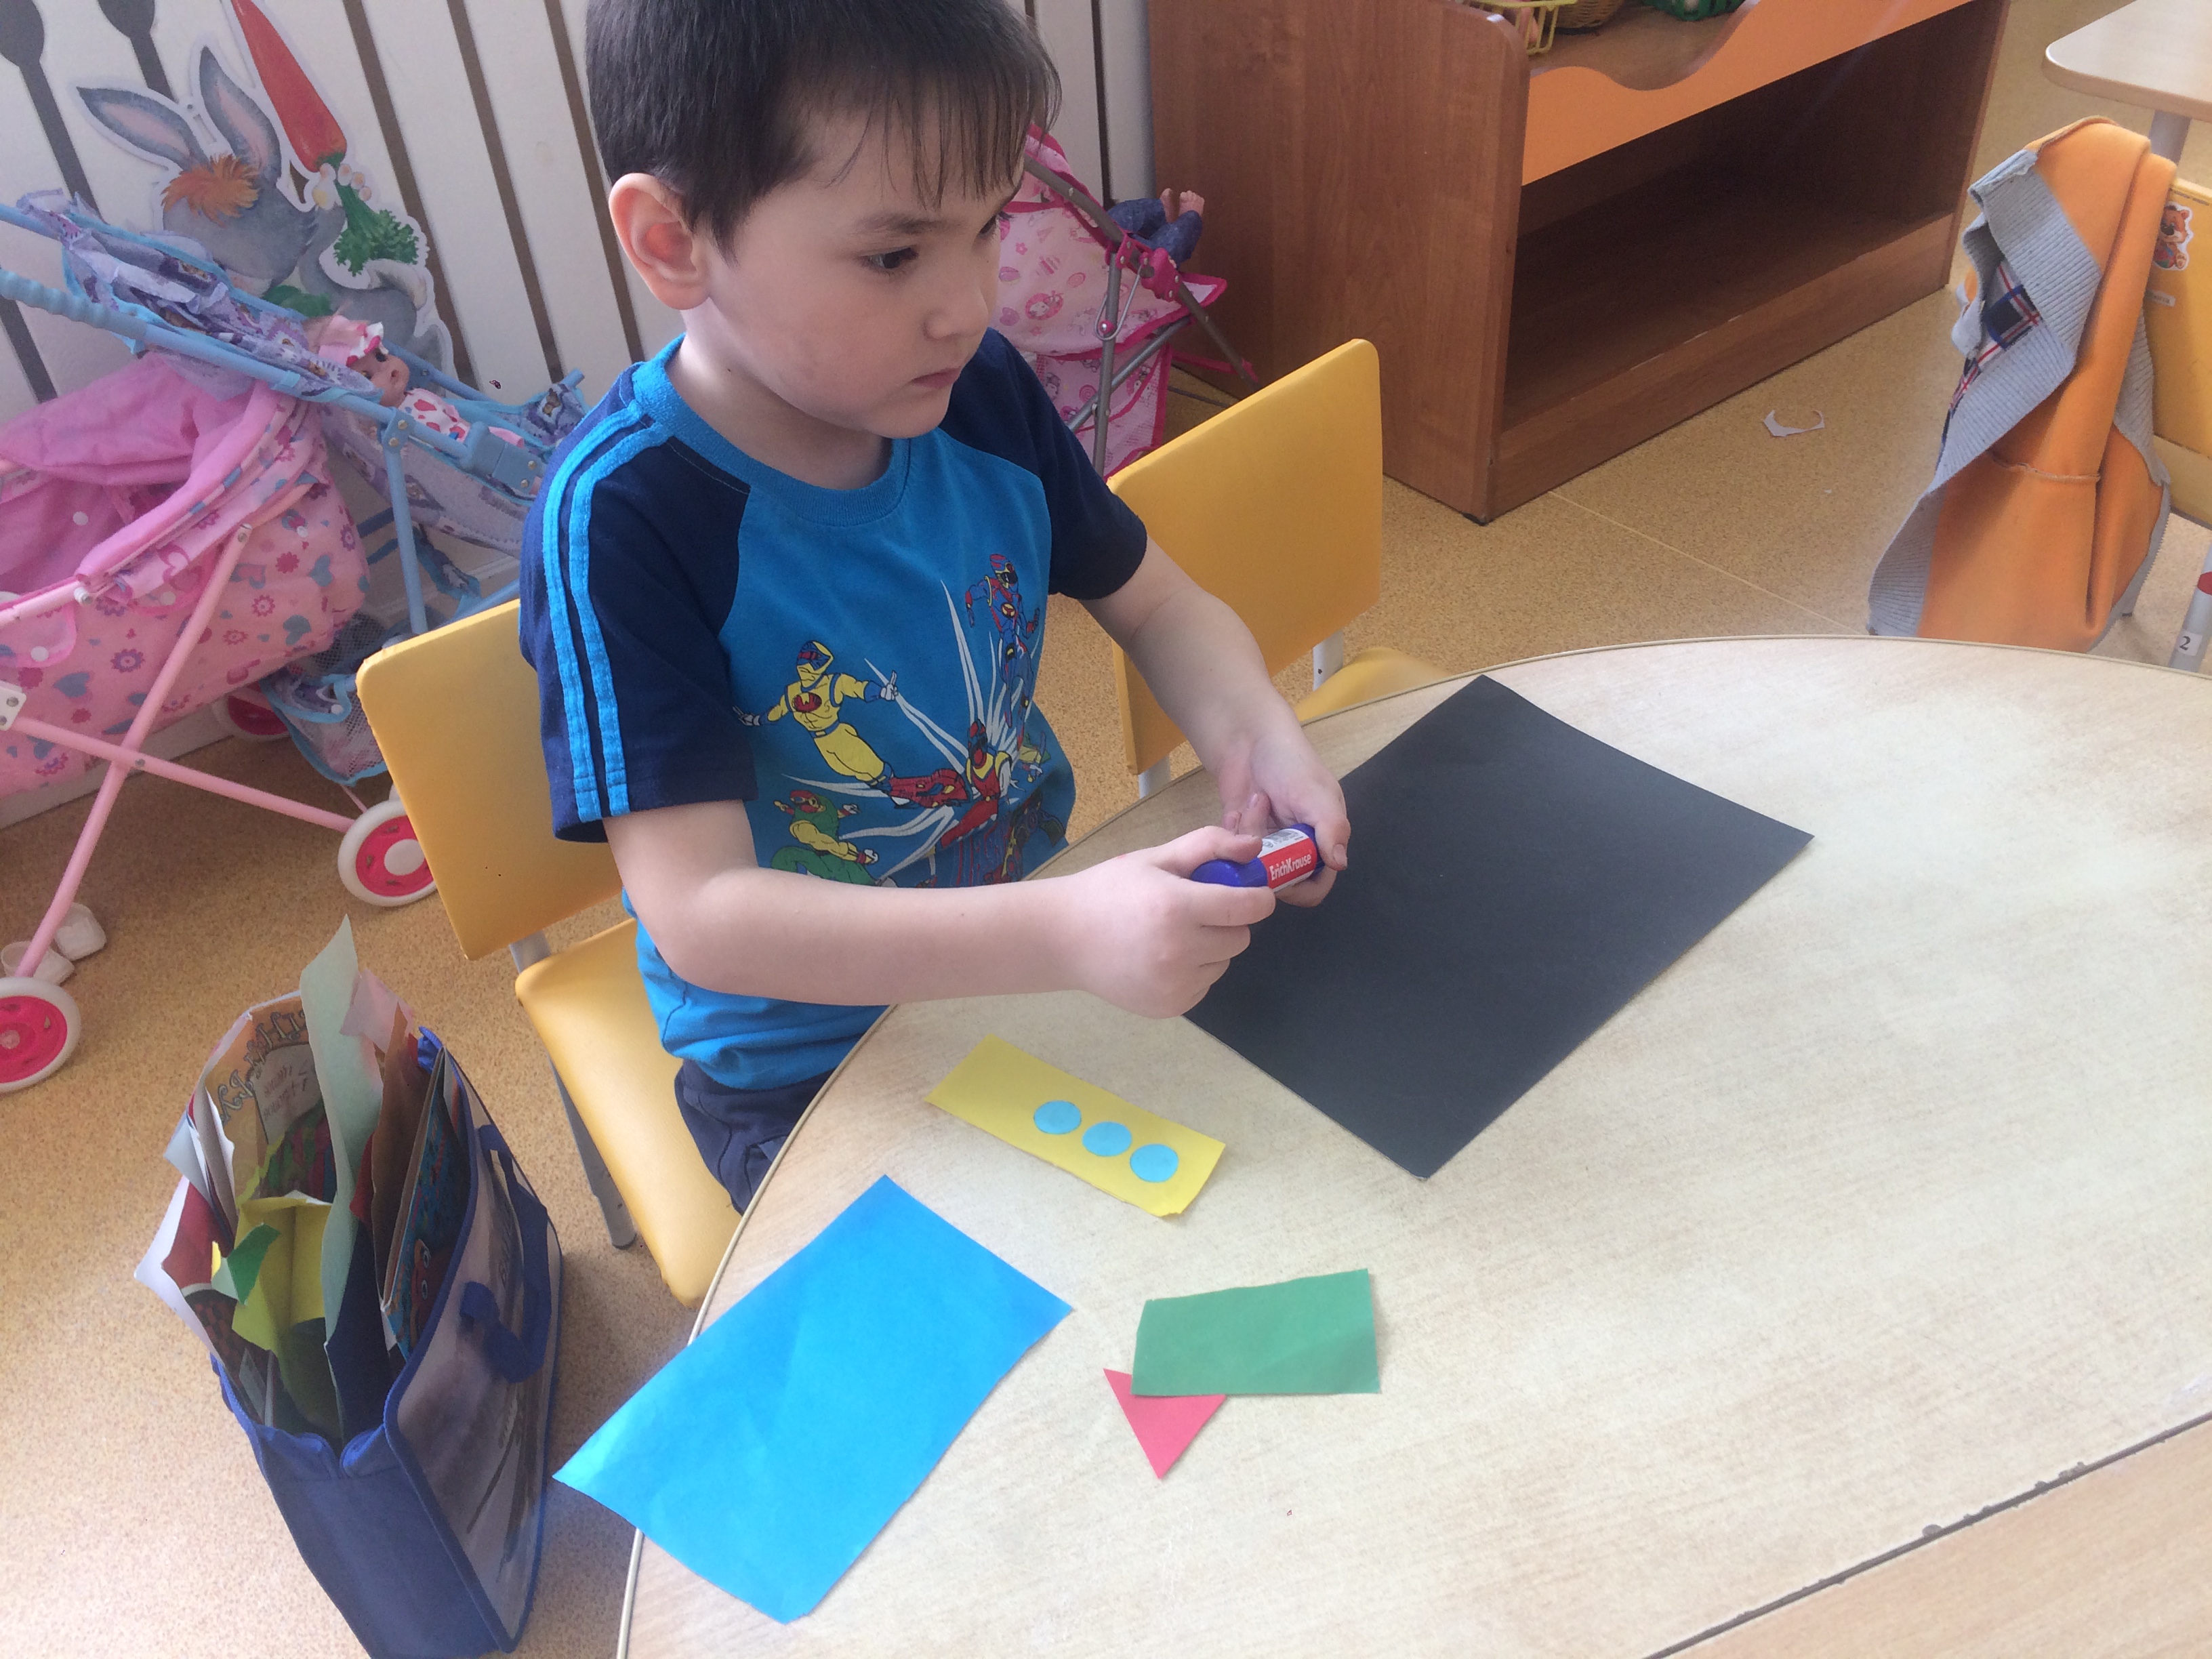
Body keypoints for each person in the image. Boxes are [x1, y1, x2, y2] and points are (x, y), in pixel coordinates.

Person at [520, 0, 1349, 1210]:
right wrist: (1064, 933)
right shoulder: (623, 518)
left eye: (988, 227)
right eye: (895, 256)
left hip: (1041, 957)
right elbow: (703, 914)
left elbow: (1161, 606)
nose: (969, 305)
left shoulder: (979, 393)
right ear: (673, 242)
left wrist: (1256, 733)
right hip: (815, 1067)